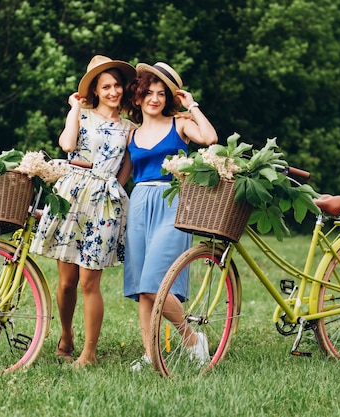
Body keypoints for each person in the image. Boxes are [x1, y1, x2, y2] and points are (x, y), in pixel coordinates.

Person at [30, 55, 135, 367]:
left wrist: (111, 189)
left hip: (104, 201)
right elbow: (66, 143)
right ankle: (66, 334)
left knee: (90, 282)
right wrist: (74, 108)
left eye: (117, 85)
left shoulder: (129, 128)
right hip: (72, 195)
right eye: (107, 86)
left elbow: (126, 168)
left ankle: (88, 353)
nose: (113, 91)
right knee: (67, 280)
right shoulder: (82, 114)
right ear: (96, 90)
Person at [122, 62, 218, 370]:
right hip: (139, 202)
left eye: (161, 94)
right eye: (148, 92)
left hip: (172, 201)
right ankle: (150, 355)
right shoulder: (131, 135)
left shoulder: (180, 123)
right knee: (142, 287)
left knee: (154, 281)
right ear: (137, 97)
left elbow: (210, 138)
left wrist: (192, 106)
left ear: (169, 99)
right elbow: (121, 177)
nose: (154, 98)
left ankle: (192, 339)